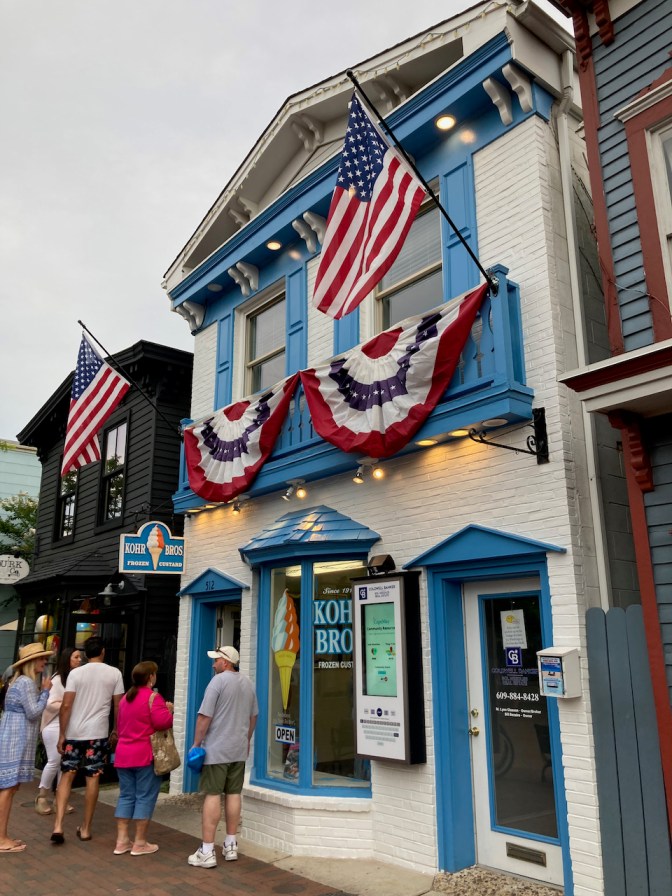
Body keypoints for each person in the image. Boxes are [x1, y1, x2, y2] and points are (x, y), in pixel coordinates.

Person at [187, 645, 258, 869]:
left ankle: (207, 850)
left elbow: (204, 717)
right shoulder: (247, 682)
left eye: (216, 659)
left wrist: (196, 744)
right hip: (238, 749)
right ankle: (230, 845)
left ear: (225, 662)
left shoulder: (217, 682)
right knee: (234, 794)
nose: (213, 663)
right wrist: (246, 740)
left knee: (212, 795)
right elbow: (253, 716)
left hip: (217, 749)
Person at [50, 635, 124, 845]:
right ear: (102, 651)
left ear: (86, 653)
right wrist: (115, 729)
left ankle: (58, 825)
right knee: (93, 779)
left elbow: (66, 706)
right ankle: (86, 828)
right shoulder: (114, 673)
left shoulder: (76, 673)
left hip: (74, 732)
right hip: (98, 733)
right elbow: (118, 705)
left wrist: (62, 734)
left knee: (67, 776)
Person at [112, 661, 174, 856]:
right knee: (145, 796)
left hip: (123, 754)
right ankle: (139, 842)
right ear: (150, 677)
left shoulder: (125, 699)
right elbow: (162, 722)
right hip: (144, 754)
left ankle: (122, 841)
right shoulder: (153, 698)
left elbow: (121, 725)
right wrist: (169, 710)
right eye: (154, 674)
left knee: (126, 795)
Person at [0, 642, 52, 853]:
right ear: (31, 662)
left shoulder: (18, 682)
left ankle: (3, 835)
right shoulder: (27, 683)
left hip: (12, 734)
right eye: (41, 658)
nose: (44, 662)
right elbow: (33, 712)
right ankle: (2, 838)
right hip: (17, 738)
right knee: (8, 788)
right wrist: (46, 693)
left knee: (8, 788)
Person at [35, 647, 83, 815]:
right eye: (76, 657)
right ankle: (42, 797)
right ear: (67, 659)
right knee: (55, 761)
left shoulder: (75, 679)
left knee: (65, 764)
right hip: (53, 725)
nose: (79, 660)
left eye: (80, 657)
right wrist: (67, 703)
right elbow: (49, 703)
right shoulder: (57, 680)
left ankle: (59, 799)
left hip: (68, 726)